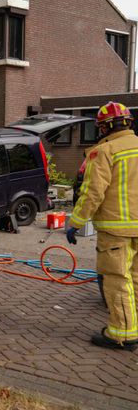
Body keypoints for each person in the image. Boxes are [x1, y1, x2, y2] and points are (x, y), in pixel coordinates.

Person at [67, 102, 138, 350]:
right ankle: (134, 324)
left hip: (116, 230)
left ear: (105, 127)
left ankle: (122, 334)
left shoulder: (105, 152)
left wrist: (75, 222)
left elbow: (92, 193)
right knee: (136, 279)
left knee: (117, 279)